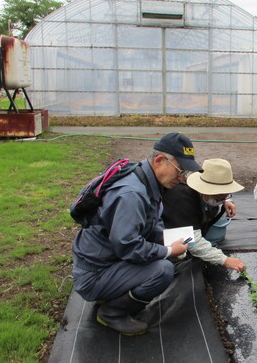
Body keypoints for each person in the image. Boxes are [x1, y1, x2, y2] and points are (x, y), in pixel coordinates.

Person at [72, 133, 202, 336]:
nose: (181, 178)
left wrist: (167, 240)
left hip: (109, 260)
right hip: (95, 274)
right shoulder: (132, 194)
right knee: (163, 270)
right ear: (160, 161)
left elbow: (151, 222)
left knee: (164, 257)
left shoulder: (145, 179)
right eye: (180, 170)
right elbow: (128, 246)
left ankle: (117, 294)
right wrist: (168, 250)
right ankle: (112, 313)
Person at [162, 158, 246, 272]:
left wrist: (226, 200)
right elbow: (193, 240)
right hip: (166, 234)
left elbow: (221, 194)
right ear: (204, 190)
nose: (221, 200)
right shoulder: (182, 198)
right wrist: (224, 259)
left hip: (190, 221)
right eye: (218, 197)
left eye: (225, 195)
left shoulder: (209, 195)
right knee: (180, 257)